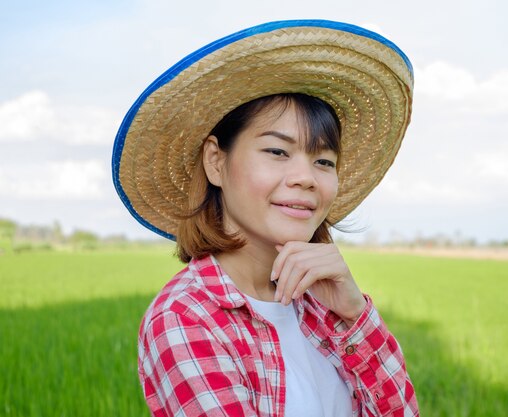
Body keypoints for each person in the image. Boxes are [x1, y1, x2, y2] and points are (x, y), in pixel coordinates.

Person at [112, 19, 418, 417]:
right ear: (215, 162)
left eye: (324, 161)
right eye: (277, 152)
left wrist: (355, 313)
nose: (306, 178)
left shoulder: (325, 300)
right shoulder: (186, 318)